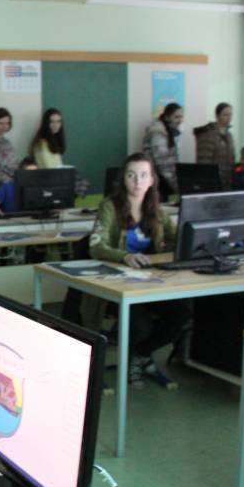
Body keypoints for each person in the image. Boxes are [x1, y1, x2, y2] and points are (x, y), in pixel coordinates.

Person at [88, 153, 189, 390]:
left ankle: (140, 355)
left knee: (181, 315)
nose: (137, 181)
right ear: (123, 179)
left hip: (150, 282)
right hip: (117, 285)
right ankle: (139, 357)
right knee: (141, 325)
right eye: (131, 175)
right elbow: (96, 246)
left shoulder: (156, 210)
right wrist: (123, 256)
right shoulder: (110, 206)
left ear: (152, 180)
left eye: (144, 175)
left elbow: (179, 237)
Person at [142, 102, 183, 199]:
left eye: (181, 117)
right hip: (159, 179)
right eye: (176, 117)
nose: (180, 120)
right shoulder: (159, 133)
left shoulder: (168, 131)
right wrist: (176, 185)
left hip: (162, 178)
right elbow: (162, 163)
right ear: (167, 117)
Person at [194, 102, 236, 190]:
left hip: (228, 182)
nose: (229, 117)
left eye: (230, 114)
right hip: (212, 183)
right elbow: (203, 163)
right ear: (217, 116)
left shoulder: (229, 135)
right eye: (225, 114)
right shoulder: (207, 135)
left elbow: (232, 159)